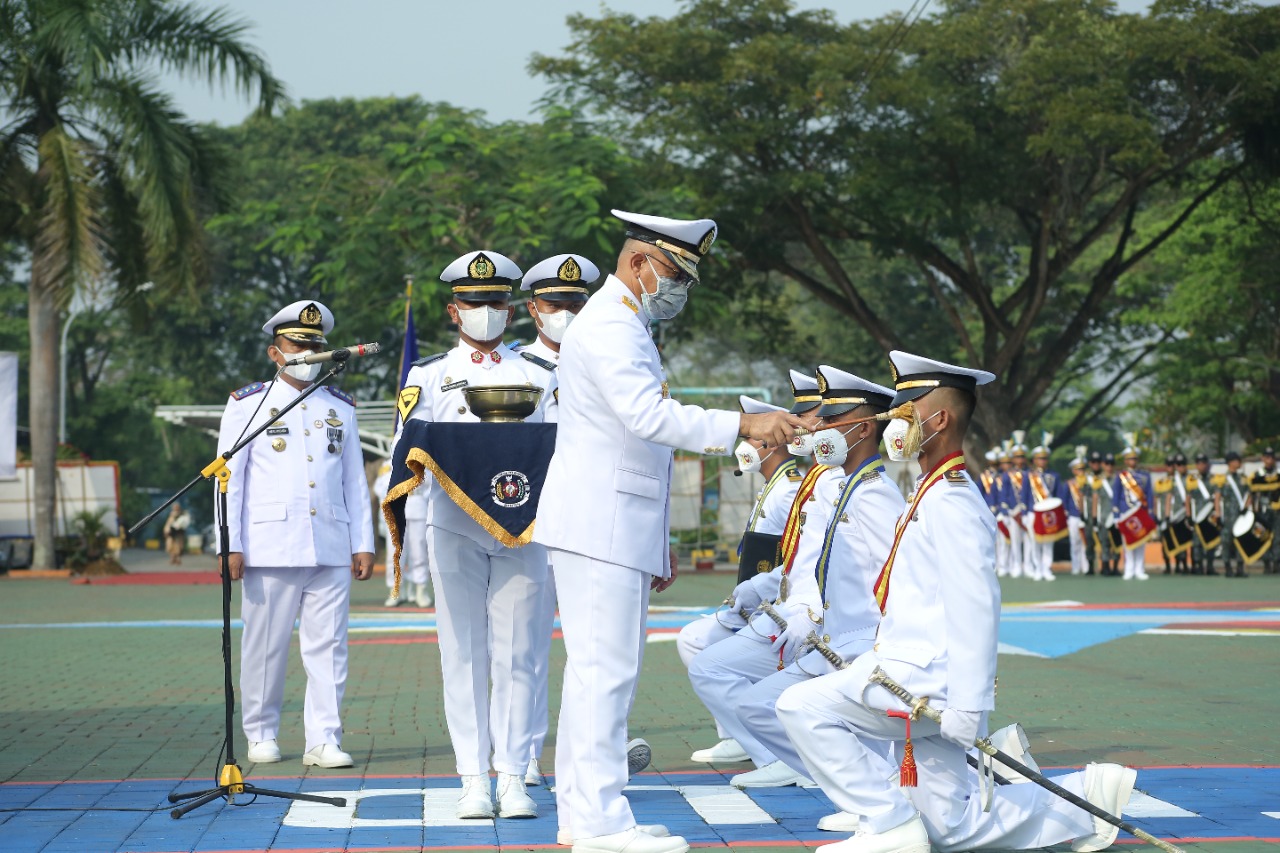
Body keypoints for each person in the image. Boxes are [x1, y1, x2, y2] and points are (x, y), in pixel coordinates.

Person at [776, 350, 1137, 853]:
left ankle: (885, 823)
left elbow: (977, 609)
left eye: (904, 412)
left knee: (801, 706)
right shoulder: (927, 492)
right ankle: (1086, 798)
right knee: (947, 829)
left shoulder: (953, 501)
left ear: (938, 419)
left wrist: (969, 705)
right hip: (904, 671)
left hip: (924, 684)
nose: (891, 423)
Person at [532, 209, 801, 853]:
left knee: (597, 674)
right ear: (639, 263)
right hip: (600, 523)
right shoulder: (611, 324)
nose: (678, 286)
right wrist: (742, 425)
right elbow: (646, 417)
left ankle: (585, 816)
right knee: (605, 674)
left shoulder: (621, 324)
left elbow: (632, 444)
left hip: (611, 523)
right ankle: (599, 822)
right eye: (674, 272)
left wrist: (654, 541)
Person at [393, 250, 556, 819]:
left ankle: (512, 776)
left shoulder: (541, 377)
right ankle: (471, 778)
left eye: (494, 302)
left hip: (526, 530)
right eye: (473, 302)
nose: (484, 311)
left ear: (510, 311)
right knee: (461, 653)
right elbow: (406, 450)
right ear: (453, 309)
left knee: (519, 655)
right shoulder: (427, 376)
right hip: (454, 526)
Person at [687, 367, 898, 792]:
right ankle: (859, 791)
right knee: (758, 699)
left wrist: (814, 614)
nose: (813, 427)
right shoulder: (837, 484)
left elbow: (893, 578)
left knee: (791, 705)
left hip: (856, 636)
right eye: (815, 418)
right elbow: (813, 560)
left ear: (860, 428)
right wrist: (770, 591)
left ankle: (873, 797)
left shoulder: (869, 491)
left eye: (826, 419)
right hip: (824, 626)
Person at [216, 299, 375, 769]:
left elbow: (353, 480)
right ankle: (261, 731)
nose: (307, 353)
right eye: (296, 345)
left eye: (314, 346)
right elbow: (231, 478)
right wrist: (230, 544)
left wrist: (363, 542)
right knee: (265, 646)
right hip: (269, 544)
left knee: (328, 647)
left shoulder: (340, 408)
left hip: (329, 541)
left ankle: (323, 738)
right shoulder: (249, 404)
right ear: (275, 352)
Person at [678, 388, 810, 765]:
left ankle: (767, 749)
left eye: (754, 436)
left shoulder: (788, 492)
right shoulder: (772, 488)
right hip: (759, 604)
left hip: (782, 609)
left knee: (700, 646)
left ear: (773, 440)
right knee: (695, 643)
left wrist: (757, 597)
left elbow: (796, 560)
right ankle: (741, 735)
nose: (747, 444)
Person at [515, 252, 600, 786]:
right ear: (533, 309)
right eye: (555, 303)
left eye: (575, 303)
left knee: (593, 651)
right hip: (526, 528)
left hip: (592, 524)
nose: (566, 312)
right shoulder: (513, 367)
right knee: (522, 649)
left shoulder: (606, 359)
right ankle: (521, 757)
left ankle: (588, 756)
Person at [372, 461, 431, 607]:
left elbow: (431, 486)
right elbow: (379, 488)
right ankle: (396, 589)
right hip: (397, 509)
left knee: (419, 552)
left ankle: (420, 588)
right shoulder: (388, 464)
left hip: (417, 506)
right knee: (395, 554)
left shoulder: (421, 459)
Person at [1024, 434, 1064, 582]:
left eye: (1045, 458)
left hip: (1049, 513)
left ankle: (1046, 568)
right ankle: (1037, 568)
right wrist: (1024, 512)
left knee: (1048, 542)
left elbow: (1058, 494)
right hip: (1033, 512)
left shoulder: (1054, 475)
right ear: (1034, 460)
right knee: (1035, 542)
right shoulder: (1029, 476)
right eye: (1040, 458)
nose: (1042, 461)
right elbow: (1025, 494)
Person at [1216, 450, 1251, 578]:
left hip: (1241, 516)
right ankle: (1227, 567)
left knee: (1241, 541)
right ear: (1230, 463)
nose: (1239, 463)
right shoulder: (1223, 479)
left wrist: (1246, 508)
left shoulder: (1243, 479)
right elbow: (1217, 497)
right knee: (1226, 541)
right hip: (1228, 516)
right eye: (1236, 461)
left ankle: (1240, 568)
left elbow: (1249, 495)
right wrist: (1218, 515)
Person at [1000, 433, 1030, 578]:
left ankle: (1029, 565)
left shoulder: (1031, 474)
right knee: (1015, 540)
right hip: (1012, 512)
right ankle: (1017, 565)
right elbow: (1004, 494)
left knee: (1029, 541)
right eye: (1017, 457)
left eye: (1022, 456)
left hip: (1027, 512)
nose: (1020, 459)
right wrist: (1006, 511)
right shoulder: (1007, 475)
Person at [1188, 453, 1219, 575]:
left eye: (1204, 463)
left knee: (1211, 540)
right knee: (1197, 542)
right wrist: (1188, 515)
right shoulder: (1192, 480)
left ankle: (1210, 566)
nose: (1202, 466)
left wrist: (1217, 513)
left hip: (1209, 515)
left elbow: (1217, 497)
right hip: (1197, 515)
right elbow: (1188, 498)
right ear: (1196, 465)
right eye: (1199, 463)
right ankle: (1198, 566)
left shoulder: (1213, 479)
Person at [1249, 446, 1278, 575]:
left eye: (1272, 457)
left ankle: (1277, 563)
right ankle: (1266, 563)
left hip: (1277, 511)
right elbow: (1251, 495)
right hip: (1262, 511)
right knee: (1263, 536)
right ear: (1262, 458)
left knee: (1277, 537)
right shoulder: (1257, 475)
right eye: (1267, 457)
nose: (1269, 460)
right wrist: (1253, 511)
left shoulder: (1278, 474)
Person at [1165, 453, 1192, 574]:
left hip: (1187, 514)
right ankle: (1177, 565)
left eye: (1183, 465)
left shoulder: (1190, 479)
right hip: (1176, 514)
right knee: (1176, 541)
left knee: (1186, 541)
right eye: (1179, 465)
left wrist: (1189, 513)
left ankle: (1186, 565)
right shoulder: (1171, 481)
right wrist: (1167, 515)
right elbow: (1168, 498)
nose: (1181, 467)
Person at [1066, 449, 1088, 575]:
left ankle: (1085, 565)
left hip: (1085, 516)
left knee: (1085, 542)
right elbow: (1066, 500)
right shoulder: (1069, 484)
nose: (1080, 472)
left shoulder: (1088, 483)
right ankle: (1075, 565)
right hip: (1073, 516)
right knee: (1074, 542)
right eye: (1078, 469)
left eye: (1082, 469)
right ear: (1074, 471)